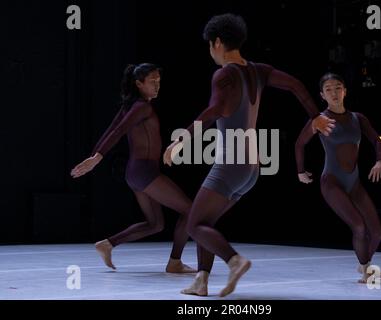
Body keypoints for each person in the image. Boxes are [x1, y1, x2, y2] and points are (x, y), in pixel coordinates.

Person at [163, 14, 336, 296]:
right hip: (251, 169)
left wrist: (181, 139)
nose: (210, 52)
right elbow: (295, 85)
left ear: (217, 43)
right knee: (205, 223)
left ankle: (234, 261)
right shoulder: (258, 70)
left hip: (230, 165)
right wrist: (315, 116)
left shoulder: (224, 74)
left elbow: (216, 110)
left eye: (210, 46)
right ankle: (201, 281)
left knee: (194, 225)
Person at [71, 63, 196, 273]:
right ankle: (175, 261)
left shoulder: (131, 106)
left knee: (155, 224)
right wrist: (96, 158)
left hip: (136, 173)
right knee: (191, 211)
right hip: (145, 173)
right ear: (139, 83)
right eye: (152, 82)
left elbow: (111, 129)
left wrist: (95, 155)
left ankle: (108, 244)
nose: (157, 86)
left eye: (159, 81)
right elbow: (118, 131)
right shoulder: (142, 107)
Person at [295, 72, 381, 283]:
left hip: (353, 183)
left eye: (338, 88)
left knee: (378, 233)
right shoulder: (320, 120)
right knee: (359, 226)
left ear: (345, 91)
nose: (334, 93)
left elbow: (377, 140)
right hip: (332, 183)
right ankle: (366, 270)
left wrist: (379, 160)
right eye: (328, 89)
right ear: (322, 95)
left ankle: (364, 264)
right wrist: (301, 171)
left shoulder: (358, 119)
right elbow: (299, 144)